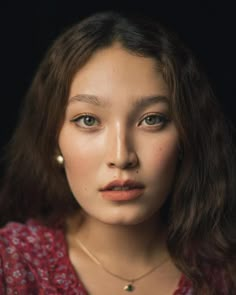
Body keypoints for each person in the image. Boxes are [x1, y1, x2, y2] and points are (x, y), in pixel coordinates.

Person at [0, 10, 235, 295]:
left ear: (185, 136)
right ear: (53, 140)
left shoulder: (226, 271)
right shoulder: (10, 265)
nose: (121, 156)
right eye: (88, 120)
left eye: (151, 119)